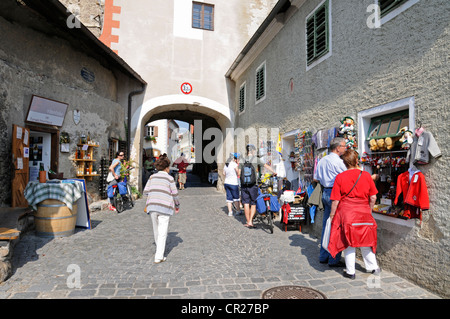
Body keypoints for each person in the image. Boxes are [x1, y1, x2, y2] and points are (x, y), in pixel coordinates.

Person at [328, 149, 380, 279]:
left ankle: (351, 272)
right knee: (365, 240)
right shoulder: (367, 176)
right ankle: (373, 267)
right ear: (357, 161)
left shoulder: (340, 177)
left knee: (349, 242)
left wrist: (332, 215)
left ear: (344, 163)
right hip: (364, 212)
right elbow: (373, 197)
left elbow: (335, 200)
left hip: (347, 213)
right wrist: (369, 210)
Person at [313, 137, 347, 267]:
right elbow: (347, 176)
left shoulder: (322, 160)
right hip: (336, 193)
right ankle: (334, 259)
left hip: (325, 192)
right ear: (338, 148)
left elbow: (316, 178)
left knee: (327, 225)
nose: (345, 148)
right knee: (336, 226)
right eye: (344, 146)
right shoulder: (339, 162)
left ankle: (323, 256)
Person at [143, 154, 180, 264]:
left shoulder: (152, 177)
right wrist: (177, 206)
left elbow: (145, 192)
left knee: (156, 230)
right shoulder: (170, 178)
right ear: (167, 167)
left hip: (152, 206)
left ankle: (158, 253)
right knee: (162, 232)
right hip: (165, 207)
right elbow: (175, 194)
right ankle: (159, 256)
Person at [239, 144, 277, 228]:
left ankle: (247, 221)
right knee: (253, 203)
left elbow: (238, 173)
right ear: (252, 151)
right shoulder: (256, 159)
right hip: (253, 184)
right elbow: (266, 166)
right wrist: (273, 172)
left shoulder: (242, 160)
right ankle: (250, 222)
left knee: (245, 203)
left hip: (244, 185)